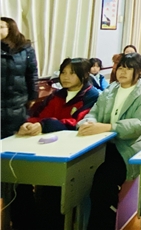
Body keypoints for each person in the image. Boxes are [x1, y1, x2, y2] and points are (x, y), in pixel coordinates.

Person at [12, 58, 99, 230]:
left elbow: (77, 123)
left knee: (52, 192)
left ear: (83, 75)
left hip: (69, 152)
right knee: (18, 182)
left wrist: (45, 125)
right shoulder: (56, 95)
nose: (65, 77)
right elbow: (38, 115)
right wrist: (28, 124)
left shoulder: (92, 95)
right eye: (63, 72)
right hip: (40, 147)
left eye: (71, 73)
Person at [78, 53, 141, 230]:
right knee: (81, 173)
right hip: (104, 143)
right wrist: (88, 123)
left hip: (129, 146)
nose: (122, 72)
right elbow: (94, 112)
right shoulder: (110, 90)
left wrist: (109, 127)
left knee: (104, 184)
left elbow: (140, 124)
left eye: (128, 68)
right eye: (121, 67)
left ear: (138, 71)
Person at [1, 17, 38, 139]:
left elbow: (32, 74)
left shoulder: (25, 49)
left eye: (1, 27)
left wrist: (33, 96)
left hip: (17, 102)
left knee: (16, 138)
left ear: (11, 29)